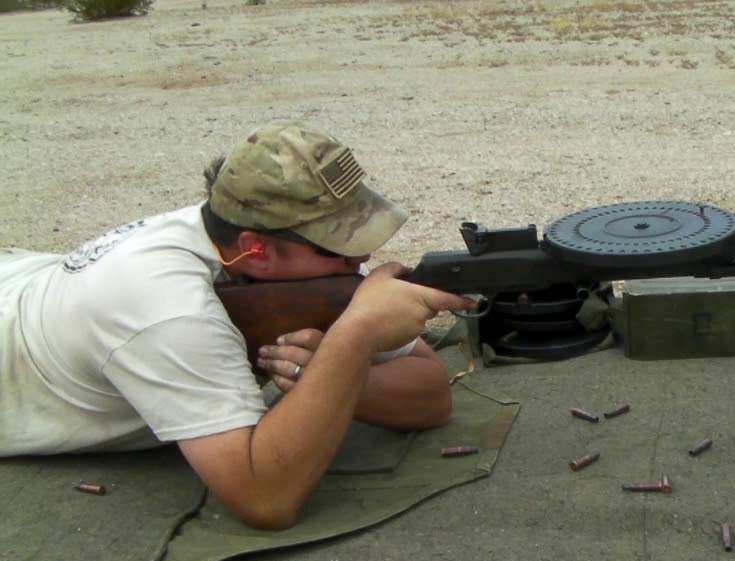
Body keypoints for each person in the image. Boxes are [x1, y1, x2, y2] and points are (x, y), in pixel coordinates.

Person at [0, 122, 474, 529]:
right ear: (256, 249)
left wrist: (330, 371)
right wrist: (354, 339)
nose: (362, 255)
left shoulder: (284, 254)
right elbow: (265, 500)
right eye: (337, 243)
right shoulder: (170, 310)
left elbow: (432, 398)